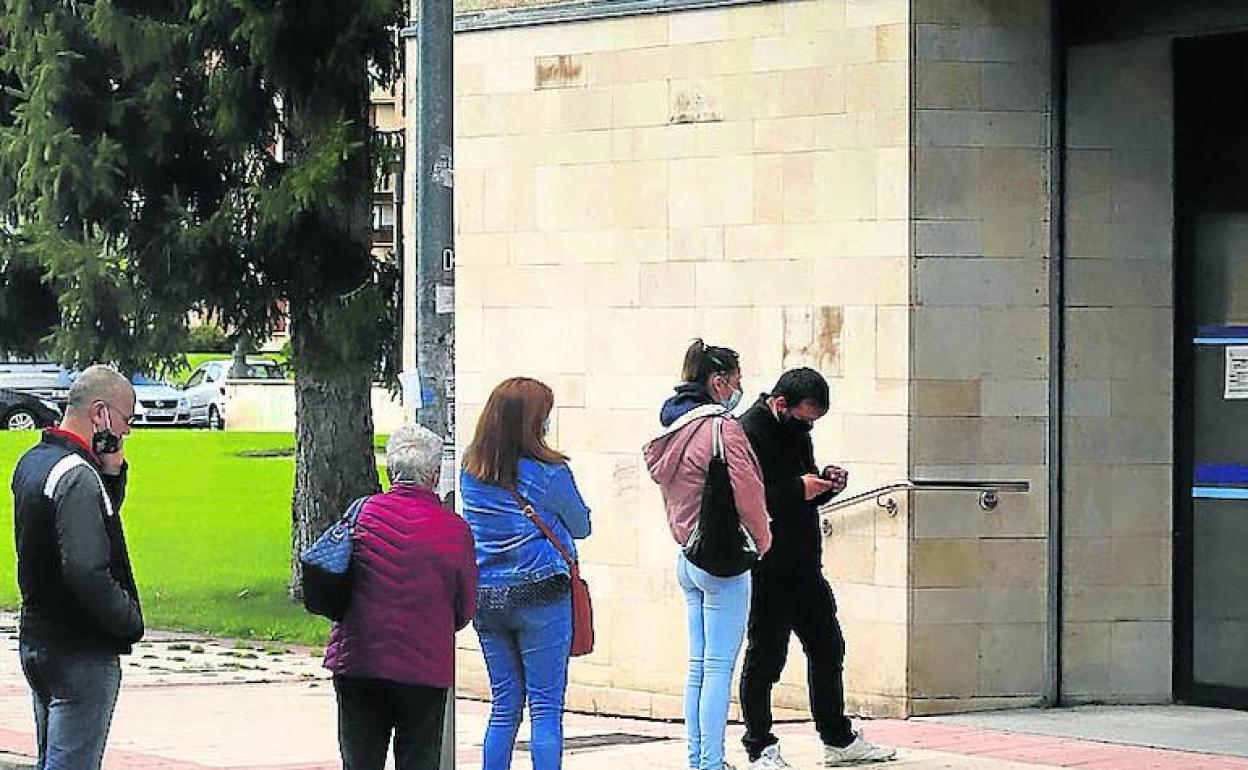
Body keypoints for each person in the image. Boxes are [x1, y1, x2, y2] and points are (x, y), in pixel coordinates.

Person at [737, 368, 895, 768]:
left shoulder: (795, 430)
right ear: (780, 404)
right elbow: (747, 499)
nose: (808, 426)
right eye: (805, 418)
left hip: (805, 564)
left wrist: (824, 485)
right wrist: (798, 489)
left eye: (813, 421)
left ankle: (837, 739)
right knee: (766, 657)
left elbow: (798, 490)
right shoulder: (748, 432)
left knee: (828, 648)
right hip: (769, 567)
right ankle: (759, 745)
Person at [644, 340, 772, 770]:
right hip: (723, 560)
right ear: (718, 382)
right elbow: (749, 493)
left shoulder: (671, 428)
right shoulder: (722, 428)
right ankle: (712, 763)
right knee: (719, 667)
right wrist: (763, 540)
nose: (739, 389)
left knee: (698, 667)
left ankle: (699, 758)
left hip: (688, 553)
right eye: (736, 381)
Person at [11, 365, 143, 770]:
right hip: (80, 647)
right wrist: (128, 621)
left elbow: (92, 518)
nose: (126, 433)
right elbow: (86, 567)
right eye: (127, 420)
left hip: (39, 637)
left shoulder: (34, 462)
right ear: (100, 413)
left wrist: (112, 471)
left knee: (50, 758)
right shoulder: (76, 475)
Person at [323, 423, 477, 770]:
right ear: (436, 475)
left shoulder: (361, 513)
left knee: (359, 763)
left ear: (391, 471)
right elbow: (465, 609)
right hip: (423, 668)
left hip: (358, 662)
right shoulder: (455, 529)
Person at [460, 378, 592, 770]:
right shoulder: (550, 471)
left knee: (504, 706)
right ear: (533, 421)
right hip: (542, 594)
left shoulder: (472, 468)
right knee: (546, 708)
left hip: (486, 595)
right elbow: (582, 525)